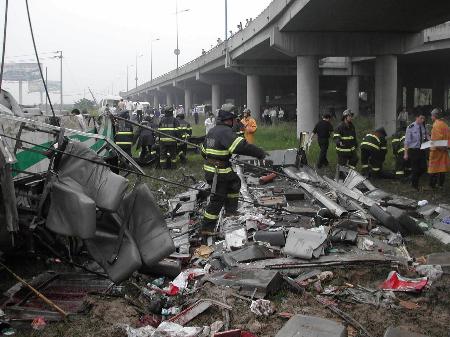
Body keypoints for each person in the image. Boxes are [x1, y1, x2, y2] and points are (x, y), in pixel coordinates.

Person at [200, 103, 265, 235]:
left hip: (216, 168)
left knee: (235, 183)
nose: (235, 122)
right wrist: (260, 153)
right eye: (234, 119)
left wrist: (219, 156)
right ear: (229, 120)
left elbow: (203, 151)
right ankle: (206, 228)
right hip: (218, 171)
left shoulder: (213, 130)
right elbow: (241, 146)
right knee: (217, 199)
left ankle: (230, 210)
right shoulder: (225, 132)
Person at [404, 111, 429, 190]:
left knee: (424, 168)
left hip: (421, 149)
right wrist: (406, 153)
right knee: (415, 168)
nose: (422, 120)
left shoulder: (424, 126)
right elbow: (407, 141)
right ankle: (415, 186)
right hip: (413, 150)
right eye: (421, 118)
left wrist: (431, 141)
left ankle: (413, 178)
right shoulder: (410, 127)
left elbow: (427, 135)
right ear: (417, 118)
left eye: (423, 118)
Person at [428, 108, 450, 188]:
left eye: (431, 115)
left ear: (434, 116)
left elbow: (436, 140)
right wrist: (446, 147)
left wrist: (429, 139)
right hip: (444, 150)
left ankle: (432, 185)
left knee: (433, 168)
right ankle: (440, 184)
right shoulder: (445, 125)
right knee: (442, 168)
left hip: (436, 150)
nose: (431, 117)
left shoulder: (436, 125)